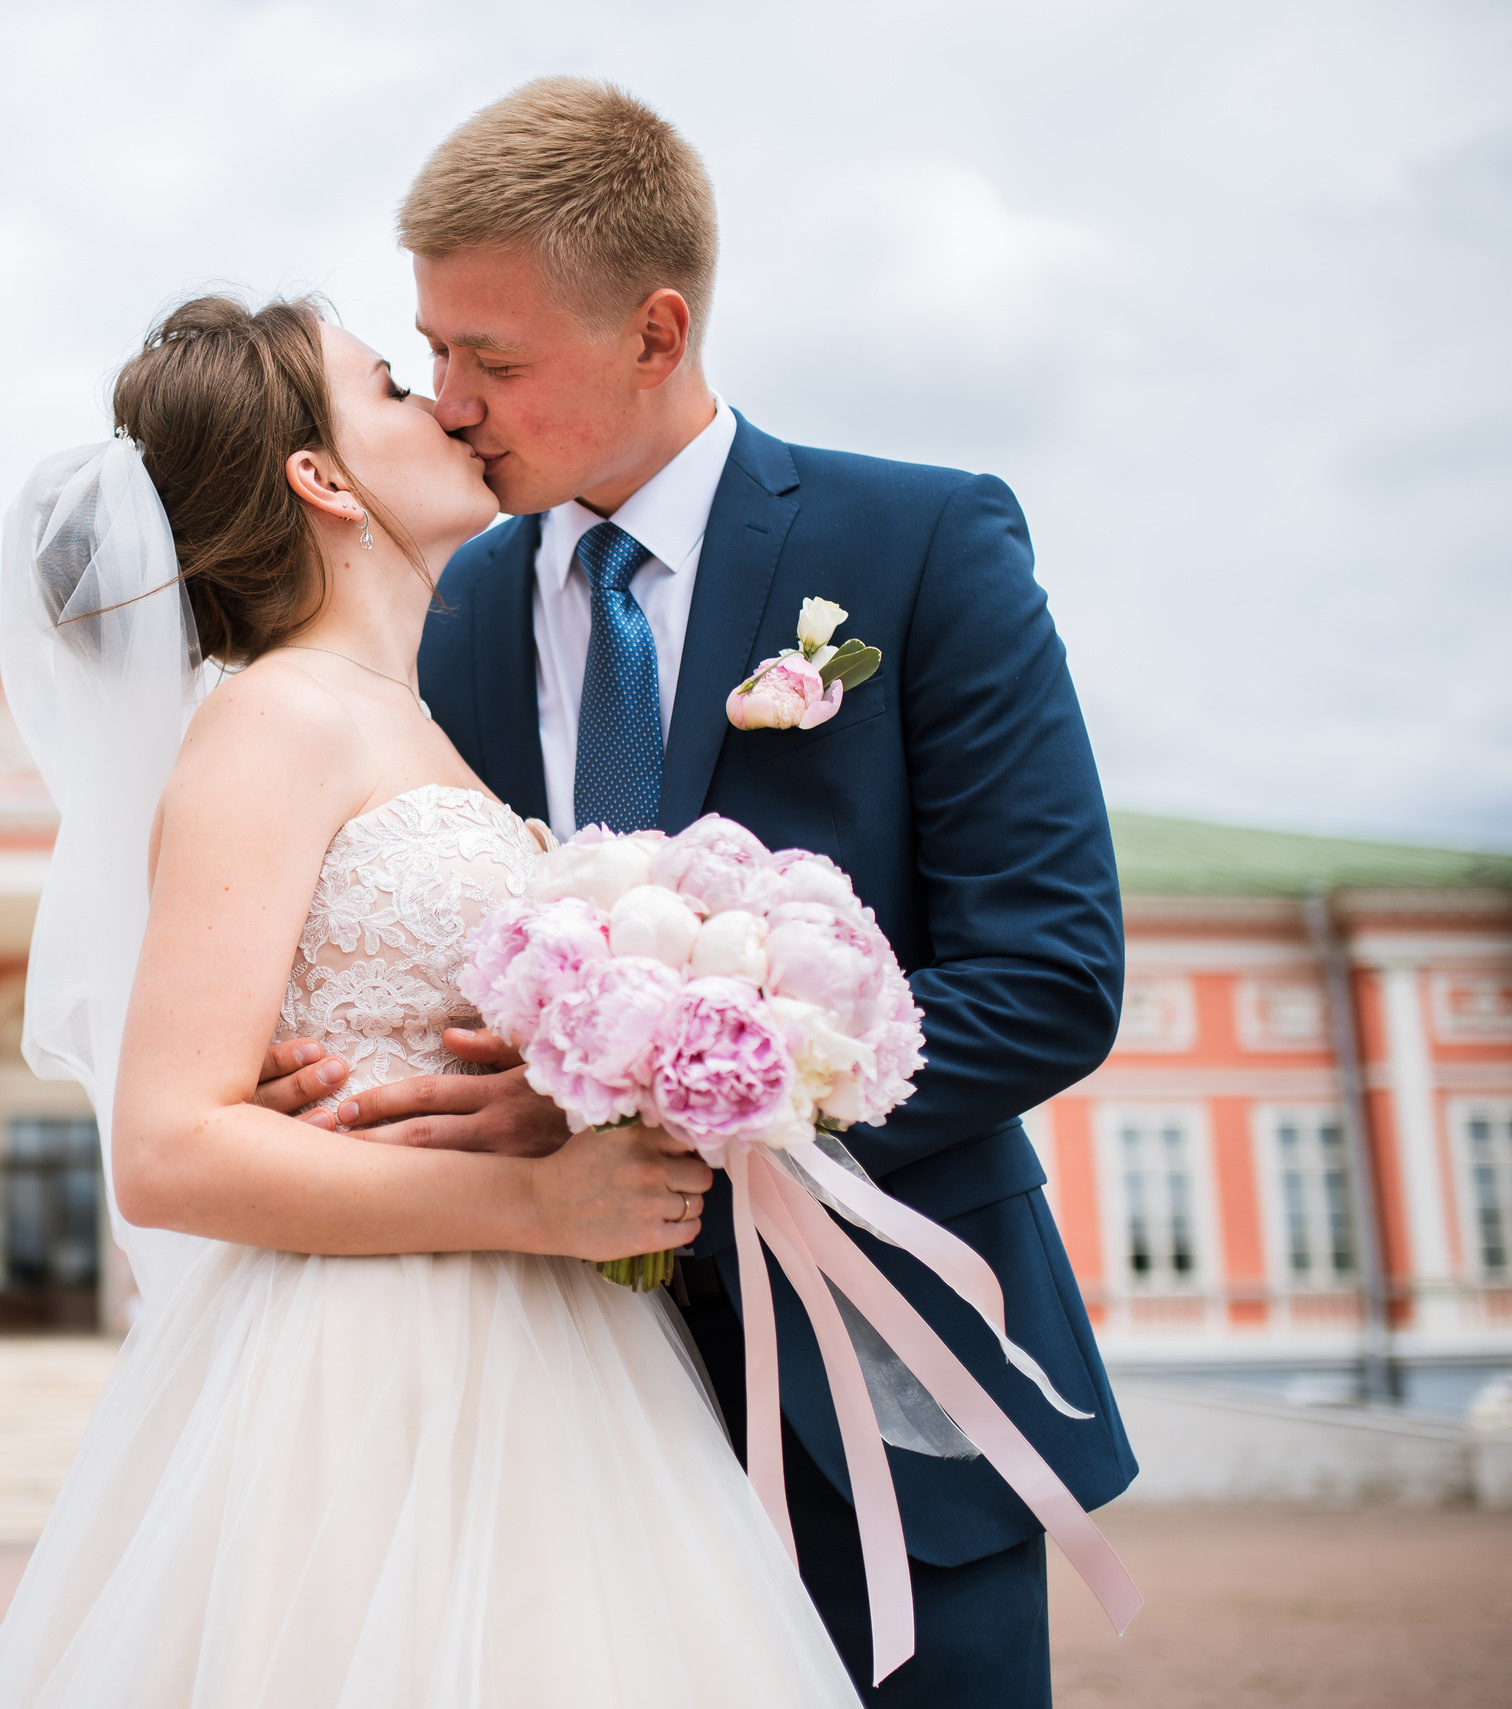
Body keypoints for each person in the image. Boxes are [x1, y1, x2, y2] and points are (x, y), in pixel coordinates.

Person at [272, 78, 1137, 1706]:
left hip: (877, 1385)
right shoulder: (452, 613)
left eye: (496, 360)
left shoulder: (922, 540)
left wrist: (651, 1112)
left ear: (656, 331)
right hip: (548, 1400)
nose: (449, 403)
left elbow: (1049, 974)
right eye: (431, 349)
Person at [0, 294, 856, 1706]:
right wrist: (535, 1206)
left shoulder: (419, 720)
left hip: (550, 1343)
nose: (447, 403)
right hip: (378, 1373)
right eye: (392, 385)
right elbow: (167, 1146)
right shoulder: (276, 716)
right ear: (322, 481)